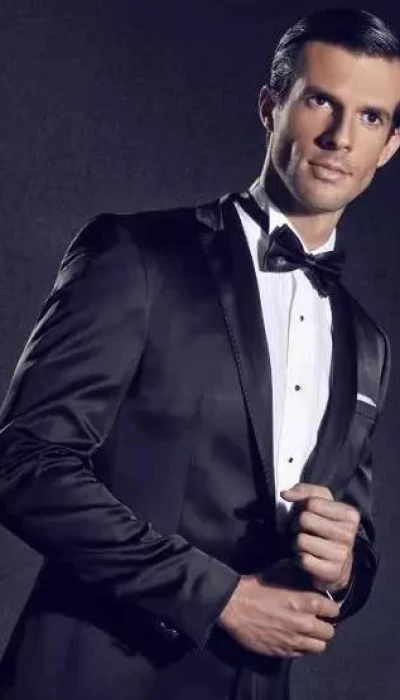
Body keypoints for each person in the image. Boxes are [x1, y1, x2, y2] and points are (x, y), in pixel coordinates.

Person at [0, 6, 398, 700]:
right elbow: (24, 463)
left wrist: (341, 570)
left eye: (369, 117)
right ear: (270, 107)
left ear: (389, 146)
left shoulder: (367, 343)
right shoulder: (137, 255)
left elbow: (353, 541)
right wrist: (217, 597)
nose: (340, 137)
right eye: (320, 102)